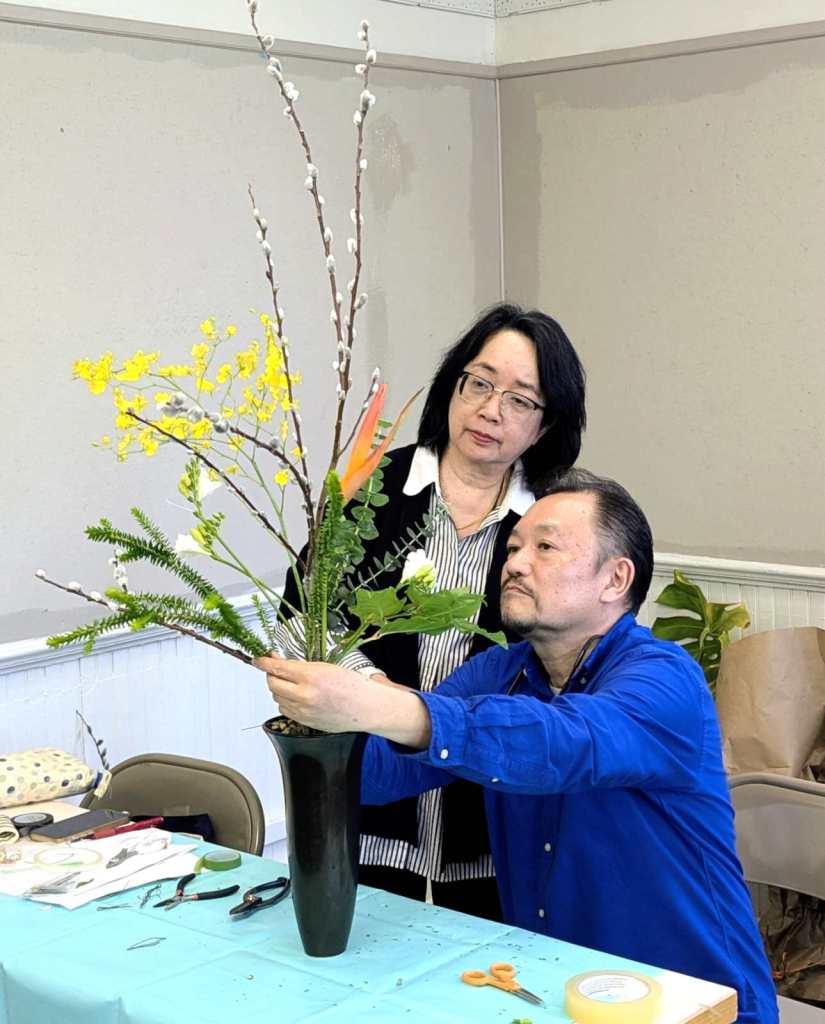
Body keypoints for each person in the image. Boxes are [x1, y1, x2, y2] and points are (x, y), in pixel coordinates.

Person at [260, 469, 779, 1024]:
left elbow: (565, 743)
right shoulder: (499, 671)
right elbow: (381, 775)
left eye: (545, 547)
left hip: (694, 1001)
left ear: (615, 579)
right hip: (554, 990)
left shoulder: (665, 679)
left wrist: (386, 707)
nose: (514, 563)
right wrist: (319, 724)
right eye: (512, 548)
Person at [280, 302, 586, 921]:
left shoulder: (552, 520)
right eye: (480, 383)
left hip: (497, 817)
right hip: (368, 797)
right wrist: (372, 691)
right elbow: (301, 615)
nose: (491, 410)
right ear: (453, 384)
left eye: (520, 400)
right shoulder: (371, 487)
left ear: (545, 425)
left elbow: (572, 648)